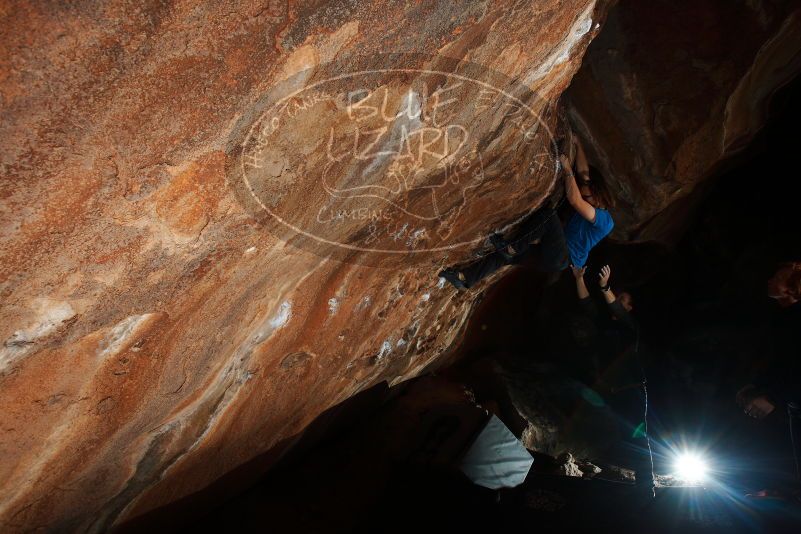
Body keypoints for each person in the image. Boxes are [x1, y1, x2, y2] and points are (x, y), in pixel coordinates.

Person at [439, 135, 615, 290]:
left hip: (563, 257)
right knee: (505, 257)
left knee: (548, 217)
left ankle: (512, 247)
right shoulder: (593, 197)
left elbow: (575, 200)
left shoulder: (605, 222)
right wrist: (577, 143)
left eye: (588, 197)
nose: (585, 199)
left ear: (598, 197)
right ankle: (465, 278)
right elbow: (584, 173)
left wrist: (567, 169)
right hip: (553, 254)